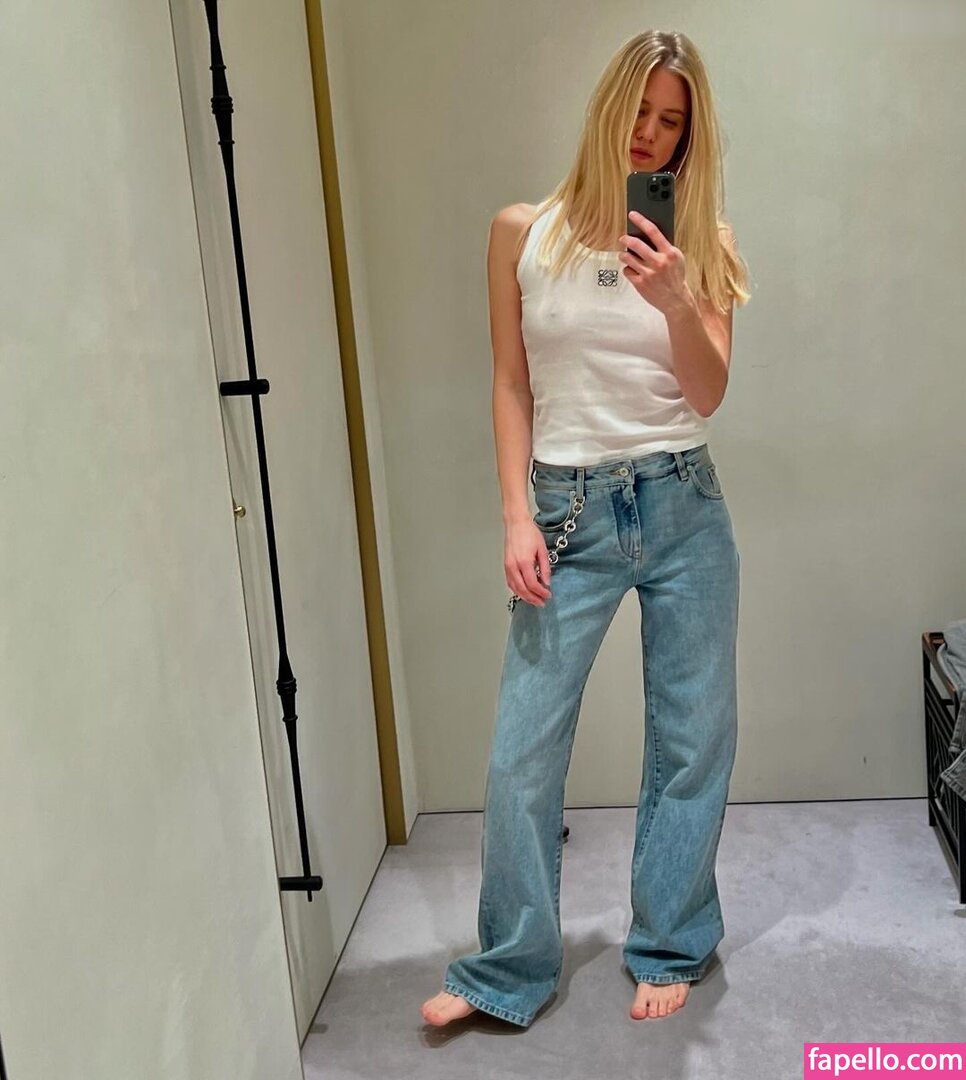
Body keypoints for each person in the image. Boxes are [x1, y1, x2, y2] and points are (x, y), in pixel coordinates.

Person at [421, 28, 751, 1029]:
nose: (650, 134)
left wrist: (677, 298)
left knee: (691, 739)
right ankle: (509, 966)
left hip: (684, 502)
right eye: (639, 111)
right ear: (609, 107)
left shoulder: (702, 244)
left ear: (689, 137)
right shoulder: (523, 232)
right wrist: (515, 514)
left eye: (671, 122)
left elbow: (708, 391)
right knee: (522, 752)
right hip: (567, 510)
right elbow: (510, 381)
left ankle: (671, 942)